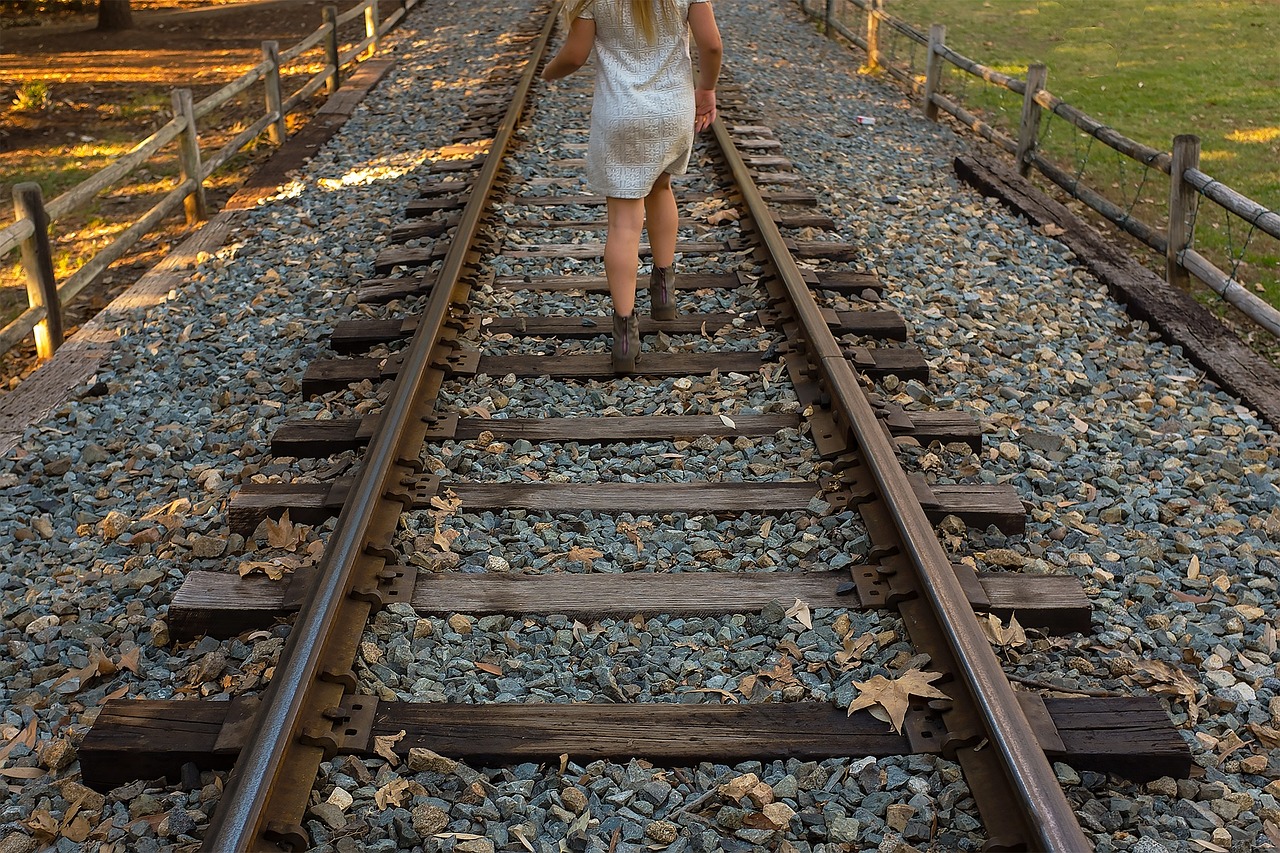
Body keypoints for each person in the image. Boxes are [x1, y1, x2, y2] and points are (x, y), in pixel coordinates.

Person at [541, 0, 723, 373]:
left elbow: (574, 57)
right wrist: (706, 90)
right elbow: (712, 46)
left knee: (623, 225)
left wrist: (547, 72)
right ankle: (664, 290)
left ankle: (625, 334)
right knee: (661, 188)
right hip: (672, 110)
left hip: (621, 114)